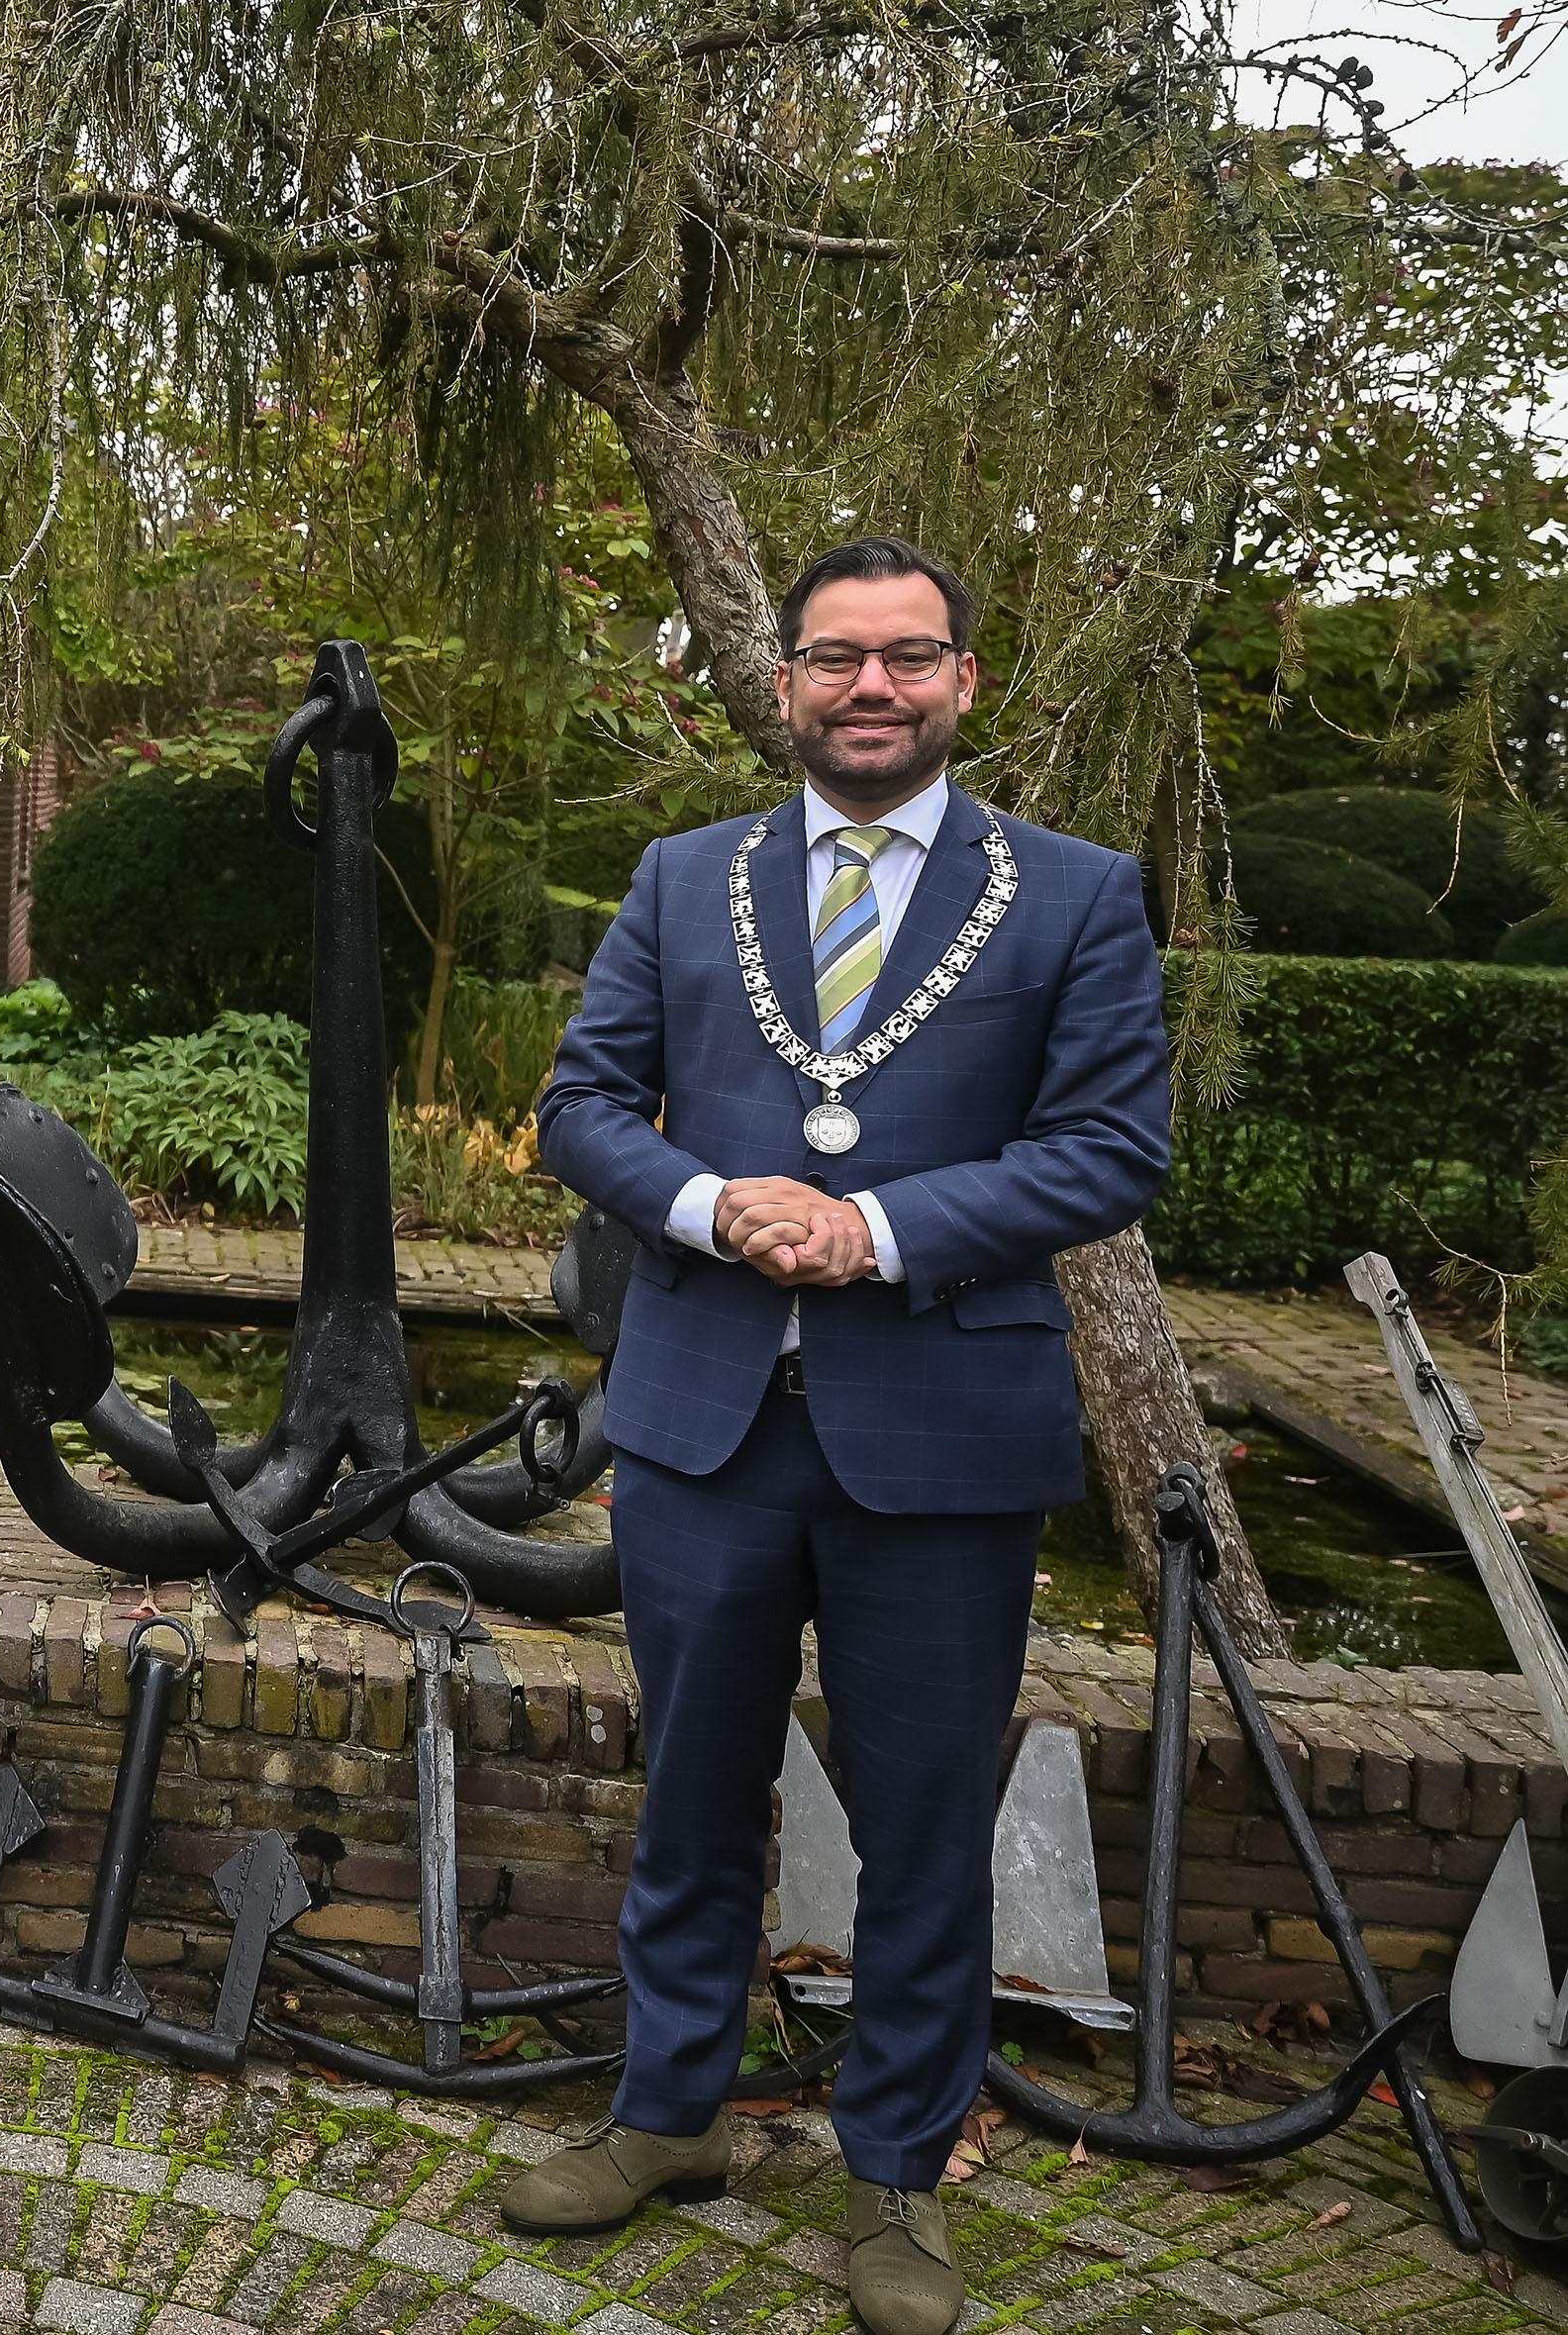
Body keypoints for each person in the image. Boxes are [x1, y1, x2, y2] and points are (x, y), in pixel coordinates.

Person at [520, 538, 1171, 2335]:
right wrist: (708, 1195)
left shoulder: (1074, 894)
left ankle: (894, 2177)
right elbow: (580, 1102)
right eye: (834, 660)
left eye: (905, 659)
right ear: (783, 682)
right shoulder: (679, 877)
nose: (866, 688)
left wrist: (872, 1229)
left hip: (940, 1431)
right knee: (689, 1799)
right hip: (701, 1419)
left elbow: (1110, 1147)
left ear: (964, 680)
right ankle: (661, 2115)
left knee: (921, 1828)